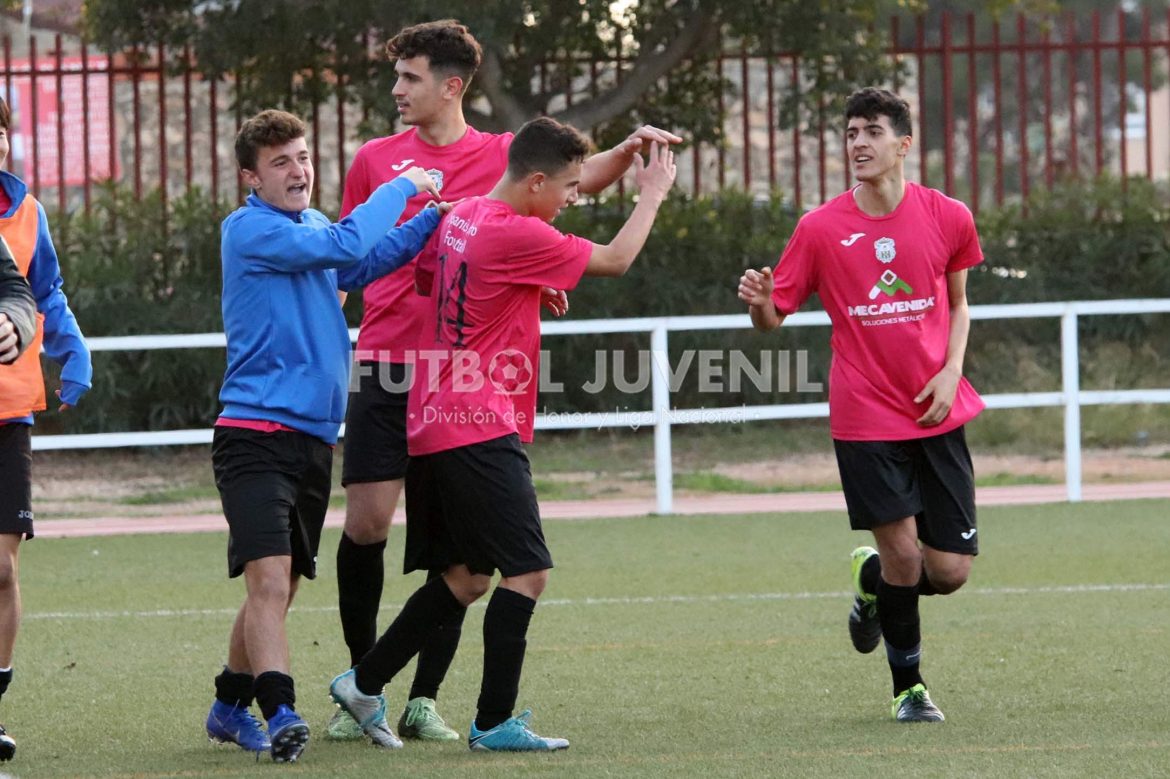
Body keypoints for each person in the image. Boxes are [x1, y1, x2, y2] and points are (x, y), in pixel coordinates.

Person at [330, 17, 682, 742]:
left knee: (465, 577)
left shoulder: (461, 216)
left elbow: (441, 267)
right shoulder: (515, 228)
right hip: (476, 419)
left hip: (433, 410)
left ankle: (363, 681)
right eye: (564, 192)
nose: (567, 203)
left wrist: (525, 286)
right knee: (529, 571)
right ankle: (492, 720)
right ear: (534, 182)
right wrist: (652, 191)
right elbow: (613, 260)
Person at [204, 108, 444, 763]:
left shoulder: (313, 227)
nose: (299, 170)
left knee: (279, 583)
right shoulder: (248, 227)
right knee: (271, 582)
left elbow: (358, 261)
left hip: (312, 440)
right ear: (252, 177)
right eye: (281, 161)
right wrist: (402, 188)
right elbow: (344, 246)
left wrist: (433, 219)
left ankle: (229, 703)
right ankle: (280, 711)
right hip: (253, 434)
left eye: (303, 157)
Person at [737, 87, 984, 723]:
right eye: (850, 133)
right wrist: (761, 299)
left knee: (950, 570)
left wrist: (952, 372)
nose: (859, 144)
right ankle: (909, 689)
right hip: (865, 415)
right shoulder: (819, 229)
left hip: (935, 410)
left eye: (872, 132)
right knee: (905, 554)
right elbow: (773, 321)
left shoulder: (948, 215)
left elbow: (957, 303)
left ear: (904, 144)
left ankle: (871, 585)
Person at [0, 95, 92, 763]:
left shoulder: (26, 213)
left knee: (1, 569)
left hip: (8, 410)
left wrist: (69, 342)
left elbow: (38, 289)